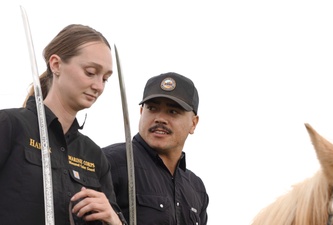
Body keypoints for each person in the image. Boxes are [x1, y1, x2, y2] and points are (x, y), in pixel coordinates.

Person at [0, 24, 127, 225]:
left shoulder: (94, 156)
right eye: (90, 72)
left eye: (105, 78)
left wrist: (113, 218)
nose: (99, 86)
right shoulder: (9, 126)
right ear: (56, 64)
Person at [102, 72, 209, 225]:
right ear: (141, 112)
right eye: (152, 108)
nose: (160, 118)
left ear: (194, 123)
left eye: (172, 111)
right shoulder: (109, 162)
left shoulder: (197, 188)